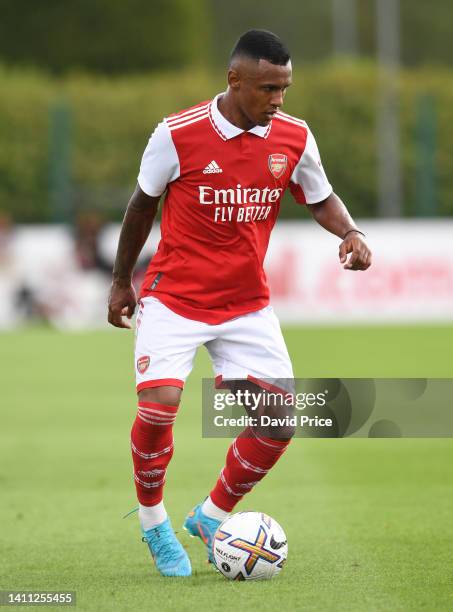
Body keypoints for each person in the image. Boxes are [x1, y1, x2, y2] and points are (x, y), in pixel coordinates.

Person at [108, 29, 372, 577]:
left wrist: (349, 232)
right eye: (268, 88)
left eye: (285, 88)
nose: (278, 100)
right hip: (174, 298)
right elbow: (140, 208)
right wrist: (120, 283)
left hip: (246, 304)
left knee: (278, 423)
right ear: (235, 79)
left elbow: (320, 197)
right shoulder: (177, 134)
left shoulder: (293, 137)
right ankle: (155, 523)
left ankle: (210, 516)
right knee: (158, 406)